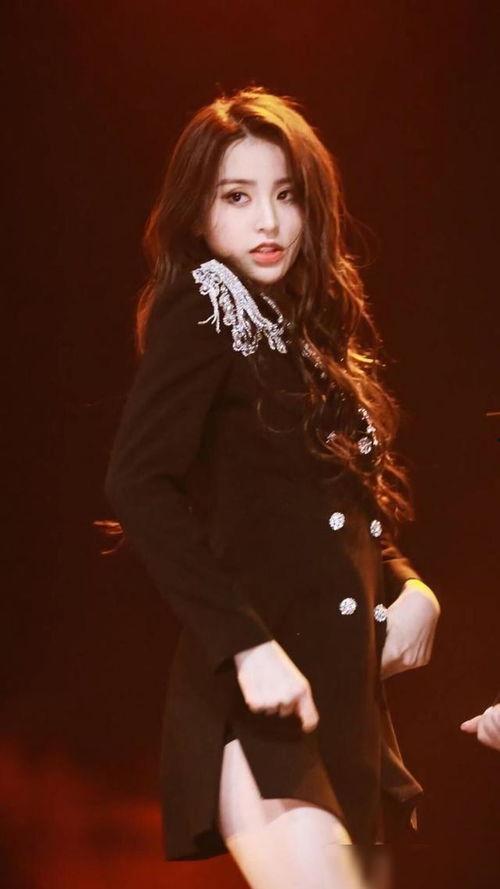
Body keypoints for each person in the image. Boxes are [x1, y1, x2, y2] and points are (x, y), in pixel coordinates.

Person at [102, 86, 441, 888]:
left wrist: (412, 587)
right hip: (258, 708)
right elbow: (135, 480)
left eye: (286, 196)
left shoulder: (301, 336)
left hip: (340, 713)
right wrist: (248, 647)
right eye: (237, 196)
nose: (268, 221)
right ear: (199, 212)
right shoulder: (207, 304)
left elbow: (334, 508)